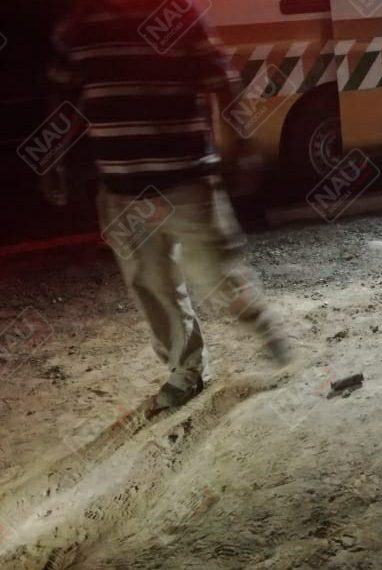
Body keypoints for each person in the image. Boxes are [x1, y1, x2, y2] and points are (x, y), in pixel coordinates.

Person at [48, 0, 289, 413]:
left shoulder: (179, 15)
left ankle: (261, 325)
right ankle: (187, 370)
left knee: (218, 276)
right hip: (121, 192)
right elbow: (66, 99)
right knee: (153, 287)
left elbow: (223, 82)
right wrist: (53, 155)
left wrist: (244, 143)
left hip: (188, 183)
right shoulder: (78, 26)